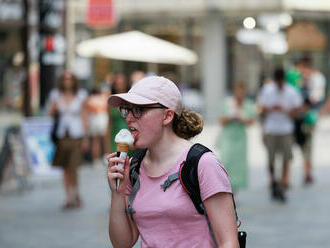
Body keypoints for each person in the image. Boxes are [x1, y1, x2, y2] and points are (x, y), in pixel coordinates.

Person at [106, 76, 239, 248]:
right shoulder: (134, 167)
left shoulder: (202, 164)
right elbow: (122, 243)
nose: (129, 118)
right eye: (127, 110)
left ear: (167, 116)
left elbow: (228, 242)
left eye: (138, 110)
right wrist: (118, 193)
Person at [257, 67, 302, 202]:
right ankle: (273, 180)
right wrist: (271, 109)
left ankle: (283, 181)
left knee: (286, 157)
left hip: (286, 130)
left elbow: (296, 113)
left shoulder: (291, 91)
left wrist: (286, 110)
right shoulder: (267, 90)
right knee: (271, 158)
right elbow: (260, 109)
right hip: (271, 129)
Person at [48, 71, 88, 210]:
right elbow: (51, 113)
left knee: (74, 167)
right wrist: (54, 107)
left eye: (70, 79)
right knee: (65, 168)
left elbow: (84, 116)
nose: (67, 81)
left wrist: (85, 138)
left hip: (76, 135)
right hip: (62, 135)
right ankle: (68, 197)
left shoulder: (81, 95)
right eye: (65, 79)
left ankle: (75, 194)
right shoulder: (56, 95)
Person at [217, 82, 255, 193]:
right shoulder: (227, 103)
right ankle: (225, 186)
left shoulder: (248, 104)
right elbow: (221, 120)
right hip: (228, 136)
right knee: (226, 161)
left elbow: (251, 121)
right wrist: (231, 118)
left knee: (239, 164)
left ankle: (235, 188)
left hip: (241, 137)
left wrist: (242, 119)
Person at [85, 86, 109, 166]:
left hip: (95, 120)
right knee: (103, 140)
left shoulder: (90, 98)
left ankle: (96, 159)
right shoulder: (103, 97)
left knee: (96, 141)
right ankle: (105, 157)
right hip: (101, 119)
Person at [108, 73, 130, 153]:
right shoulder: (111, 101)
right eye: (117, 84)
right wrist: (107, 145)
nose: (119, 86)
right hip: (115, 136)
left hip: (129, 136)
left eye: (121, 83)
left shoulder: (131, 100)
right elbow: (109, 124)